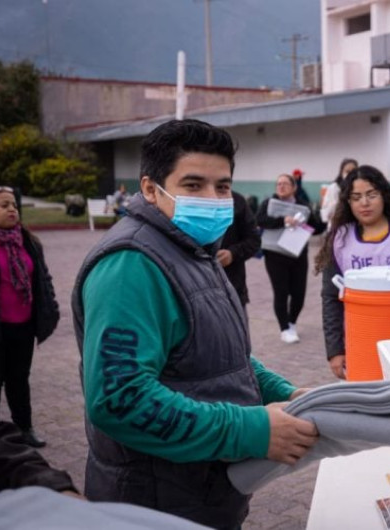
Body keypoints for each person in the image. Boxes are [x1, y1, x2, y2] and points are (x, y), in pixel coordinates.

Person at [71, 119, 319, 529]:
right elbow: (121, 400)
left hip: (202, 491)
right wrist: (252, 430)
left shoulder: (193, 248)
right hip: (155, 503)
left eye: (222, 187)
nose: (213, 198)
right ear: (151, 189)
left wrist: (286, 392)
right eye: (193, 185)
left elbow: (219, 355)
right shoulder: (131, 265)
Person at [315, 165, 390, 380]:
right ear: (348, 202)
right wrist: (335, 350)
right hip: (360, 341)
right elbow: (330, 297)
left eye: (371, 195)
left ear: (384, 195)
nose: (364, 203)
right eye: (356, 197)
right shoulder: (340, 239)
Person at [0, 186, 59, 448]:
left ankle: (24, 428)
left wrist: (51, 308)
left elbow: (43, 279)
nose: (12, 209)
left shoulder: (27, 241)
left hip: (23, 327)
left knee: (19, 380)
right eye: (4, 205)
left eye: (14, 204)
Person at [256, 173, 321, 344]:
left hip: (297, 254)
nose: (281, 186)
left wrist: (324, 217)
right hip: (274, 253)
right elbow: (260, 220)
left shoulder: (303, 206)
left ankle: (292, 322)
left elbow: (317, 227)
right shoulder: (268, 203)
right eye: (278, 184)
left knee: (299, 293)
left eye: (285, 183)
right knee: (281, 291)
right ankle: (284, 328)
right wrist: (282, 220)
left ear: (294, 187)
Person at [218, 190, 261, 309]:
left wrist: (232, 253)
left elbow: (254, 240)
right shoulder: (181, 201)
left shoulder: (237, 201)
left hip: (233, 288)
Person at [319, 158, 358, 228]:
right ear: (342, 172)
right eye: (347, 171)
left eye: (353, 171)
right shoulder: (334, 187)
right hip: (338, 225)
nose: (351, 174)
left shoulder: (359, 187)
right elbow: (327, 210)